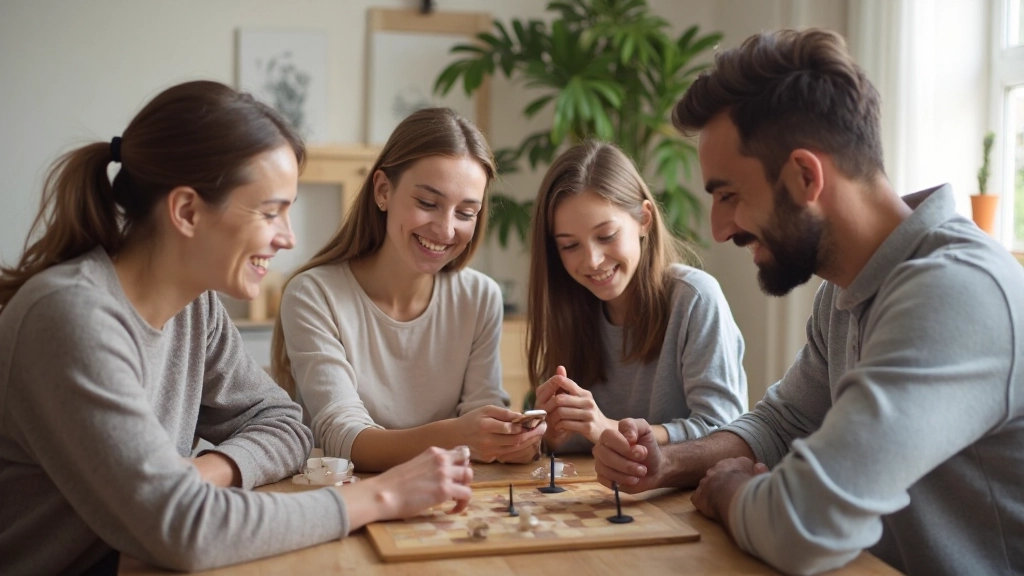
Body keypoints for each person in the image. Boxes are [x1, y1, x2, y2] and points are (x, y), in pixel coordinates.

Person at [592, 28, 1024, 576]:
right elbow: (783, 423)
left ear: (804, 176)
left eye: (728, 195)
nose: (718, 230)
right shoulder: (846, 288)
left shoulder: (956, 292)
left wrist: (730, 493)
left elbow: (806, 524)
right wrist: (665, 463)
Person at [0, 81, 475, 575]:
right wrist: (380, 495)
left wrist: (206, 472)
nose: (288, 239)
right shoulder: (70, 318)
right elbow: (184, 529)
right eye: (271, 212)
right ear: (186, 211)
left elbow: (287, 423)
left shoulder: (194, 306)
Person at [272, 107, 545, 472]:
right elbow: (342, 437)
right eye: (428, 203)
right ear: (383, 191)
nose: (446, 230)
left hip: (448, 501)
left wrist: (513, 442)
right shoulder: (314, 295)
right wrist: (458, 436)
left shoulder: (480, 298)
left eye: (466, 212)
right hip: (350, 506)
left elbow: (482, 417)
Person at [525, 141, 747, 455]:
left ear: (644, 219)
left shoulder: (695, 298)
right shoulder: (568, 308)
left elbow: (724, 432)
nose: (592, 260)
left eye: (606, 236)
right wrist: (550, 435)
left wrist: (608, 428)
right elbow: (577, 447)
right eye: (569, 246)